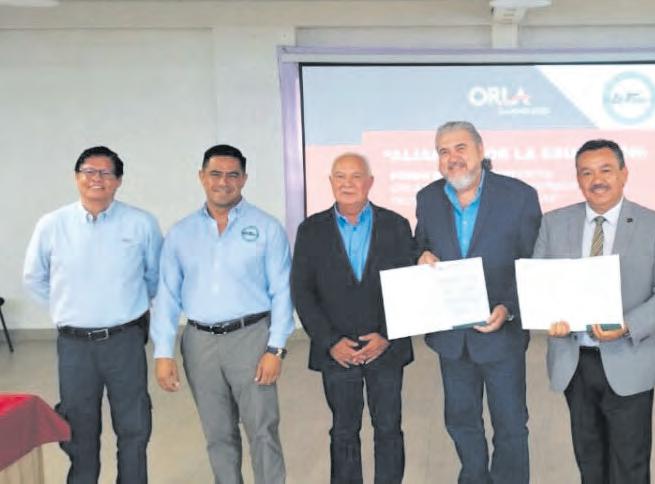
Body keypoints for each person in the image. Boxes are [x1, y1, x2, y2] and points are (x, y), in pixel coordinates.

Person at [534, 139, 655, 484]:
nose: (597, 180)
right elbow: (540, 284)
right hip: (574, 360)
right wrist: (547, 316)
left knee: (630, 466)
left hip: (629, 358)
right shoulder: (554, 223)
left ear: (624, 174)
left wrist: (628, 324)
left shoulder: (654, 224)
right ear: (577, 178)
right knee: (589, 462)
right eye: (586, 173)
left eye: (605, 170)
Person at [151, 144, 294, 484]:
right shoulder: (181, 233)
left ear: (244, 179)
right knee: (217, 434)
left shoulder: (266, 228)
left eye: (232, 175)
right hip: (199, 342)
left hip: (251, 339)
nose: (223, 182)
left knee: (262, 430)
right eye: (215, 174)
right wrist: (163, 353)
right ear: (202, 177)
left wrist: (275, 349)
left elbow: (282, 292)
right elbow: (167, 296)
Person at [23, 146, 161, 484]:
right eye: (88, 171)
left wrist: (125, 306)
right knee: (78, 427)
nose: (97, 178)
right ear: (76, 177)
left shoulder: (141, 223)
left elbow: (155, 276)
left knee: (134, 425)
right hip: (75, 346)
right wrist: (68, 308)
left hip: (125, 340)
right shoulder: (52, 224)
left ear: (118, 181)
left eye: (106, 173)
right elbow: (34, 278)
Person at [414, 121, 541, 483]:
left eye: (460, 148)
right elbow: (419, 246)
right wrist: (420, 255)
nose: (452, 158)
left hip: (502, 334)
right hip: (452, 337)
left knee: (511, 424)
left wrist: (509, 308)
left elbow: (533, 263)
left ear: (481, 150)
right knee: (460, 421)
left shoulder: (519, 196)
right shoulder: (428, 198)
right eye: (443, 151)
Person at [291, 153, 415, 484]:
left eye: (356, 176)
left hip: (385, 348)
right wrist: (330, 342)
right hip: (337, 352)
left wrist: (387, 335)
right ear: (331, 182)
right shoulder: (311, 230)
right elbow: (302, 291)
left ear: (370, 182)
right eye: (340, 176)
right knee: (344, 430)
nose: (348, 183)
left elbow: (409, 286)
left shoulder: (396, 225)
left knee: (388, 427)